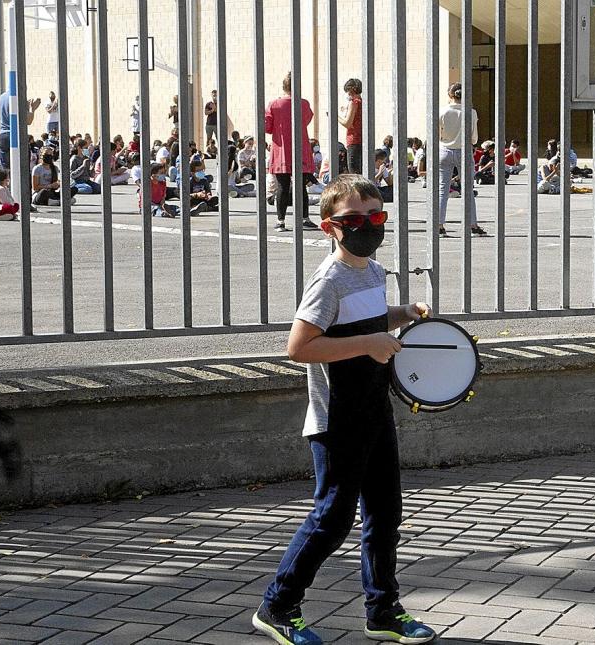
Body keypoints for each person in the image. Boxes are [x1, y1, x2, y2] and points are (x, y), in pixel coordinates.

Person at [252, 173, 437, 645]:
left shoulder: (373, 271)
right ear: (328, 227)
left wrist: (403, 313)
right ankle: (278, 605)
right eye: (353, 219)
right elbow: (299, 346)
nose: (366, 226)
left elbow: (369, 325)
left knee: (385, 514)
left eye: (375, 216)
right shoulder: (328, 280)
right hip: (337, 418)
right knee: (332, 517)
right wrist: (369, 344)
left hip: (375, 410)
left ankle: (382, 610)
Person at [264, 71, 319, 231]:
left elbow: (267, 127)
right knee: (301, 186)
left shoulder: (273, 104)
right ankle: (304, 218)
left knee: (282, 186)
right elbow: (307, 120)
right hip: (300, 149)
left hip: (281, 150)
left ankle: (280, 221)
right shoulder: (303, 104)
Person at [438, 82, 487, 237]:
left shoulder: (442, 111)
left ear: (449, 95)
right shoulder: (471, 112)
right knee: (468, 189)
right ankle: (472, 224)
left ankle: (439, 225)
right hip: (464, 151)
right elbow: (474, 138)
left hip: (444, 149)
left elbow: (437, 133)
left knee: (442, 189)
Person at [0, 91, 40, 169]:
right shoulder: (19, 98)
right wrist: (32, 108)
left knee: (6, 168)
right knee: (22, 167)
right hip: (16, 134)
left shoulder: (1, 97)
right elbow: (28, 121)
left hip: (4, 134)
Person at [338, 78, 362, 174]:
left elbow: (347, 123)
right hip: (362, 140)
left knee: (353, 173)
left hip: (353, 140)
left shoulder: (354, 102)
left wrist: (335, 116)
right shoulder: (362, 102)